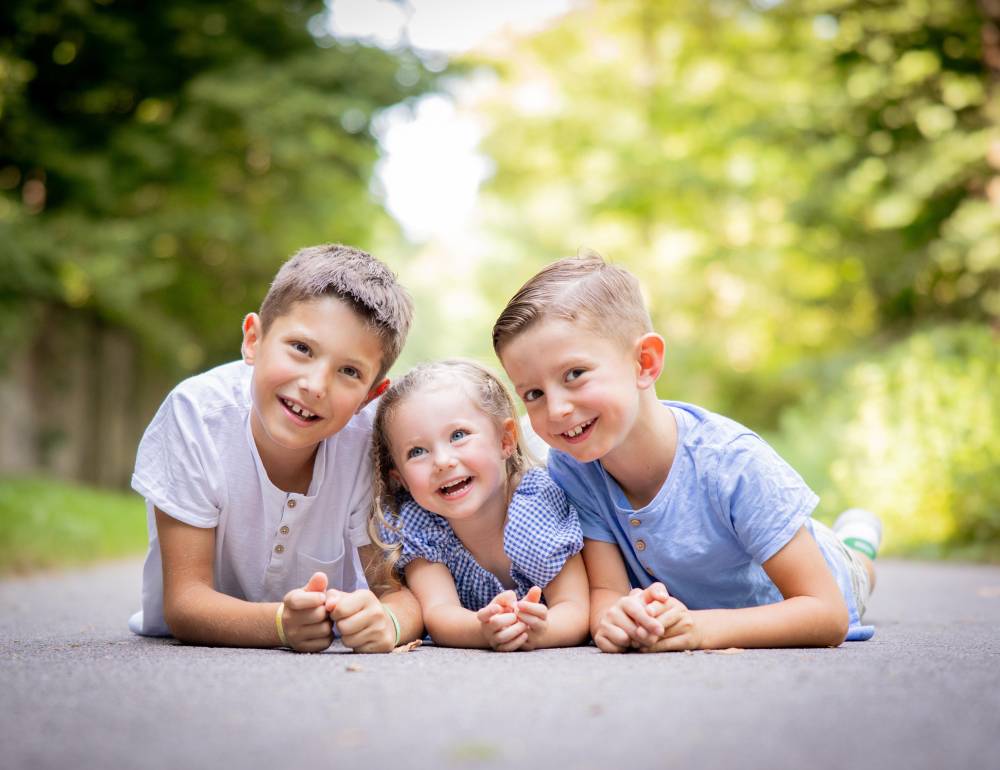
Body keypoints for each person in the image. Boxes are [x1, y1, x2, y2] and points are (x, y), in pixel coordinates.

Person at [493, 253, 882, 652]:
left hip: (816, 584)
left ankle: (857, 539)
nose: (555, 409)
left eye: (574, 375)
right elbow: (607, 590)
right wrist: (614, 617)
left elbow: (825, 613)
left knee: (855, 568)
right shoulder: (574, 466)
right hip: (696, 607)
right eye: (534, 394)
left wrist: (699, 629)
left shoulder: (732, 463)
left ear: (645, 362)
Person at [129, 243, 422, 653]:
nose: (315, 386)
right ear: (254, 339)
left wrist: (388, 622)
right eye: (301, 349)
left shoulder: (367, 442)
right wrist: (280, 625)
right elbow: (185, 603)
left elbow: (398, 592)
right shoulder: (196, 416)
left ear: (371, 395)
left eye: (349, 372)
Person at [369, 359, 589, 651]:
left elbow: (573, 607)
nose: (443, 461)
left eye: (458, 436)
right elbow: (439, 612)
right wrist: (483, 629)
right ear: (402, 479)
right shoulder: (420, 524)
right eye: (417, 451)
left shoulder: (536, 503)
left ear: (505, 440)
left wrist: (541, 631)